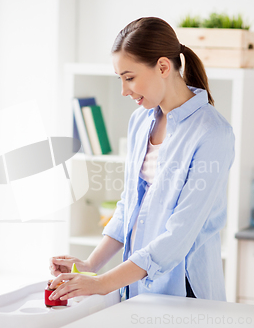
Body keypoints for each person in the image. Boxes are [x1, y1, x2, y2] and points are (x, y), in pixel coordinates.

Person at [48, 17, 235, 302]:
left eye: (130, 77)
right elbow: (128, 207)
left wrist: (103, 283)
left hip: (185, 292)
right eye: (120, 79)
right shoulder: (140, 121)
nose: (124, 91)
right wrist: (90, 266)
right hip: (136, 288)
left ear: (162, 67)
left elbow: (179, 235)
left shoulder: (213, 133)